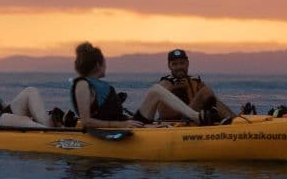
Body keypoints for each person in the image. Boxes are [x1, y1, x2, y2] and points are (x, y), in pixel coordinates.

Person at [71, 41, 205, 130]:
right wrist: (123, 125)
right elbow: (86, 121)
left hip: (128, 122)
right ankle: (195, 116)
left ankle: (194, 116)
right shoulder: (82, 85)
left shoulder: (94, 85)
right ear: (97, 65)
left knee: (156, 90)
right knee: (156, 90)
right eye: (104, 62)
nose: (106, 66)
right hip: (121, 127)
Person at [156, 48, 235, 122]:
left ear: (187, 64)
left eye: (182, 63)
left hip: (194, 117)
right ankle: (234, 120)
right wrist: (173, 88)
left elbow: (211, 98)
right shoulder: (165, 83)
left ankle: (234, 120)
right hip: (178, 121)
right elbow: (163, 114)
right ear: (169, 66)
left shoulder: (195, 82)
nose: (179, 67)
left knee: (209, 95)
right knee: (205, 91)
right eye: (175, 64)